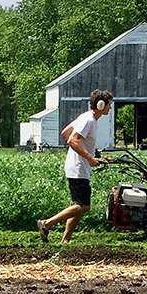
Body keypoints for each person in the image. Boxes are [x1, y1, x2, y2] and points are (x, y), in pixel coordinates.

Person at [38, 90, 111, 244]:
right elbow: (71, 140)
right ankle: (46, 223)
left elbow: (66, 132)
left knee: (80, 206)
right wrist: (89, 157)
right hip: (78, 168)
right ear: (100, 105)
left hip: (78, 167)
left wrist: (91, 152)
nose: (110, 108)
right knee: (83, 207)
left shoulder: (86, 118)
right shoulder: (89, 121)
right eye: (108, 104)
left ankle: (65, 240)